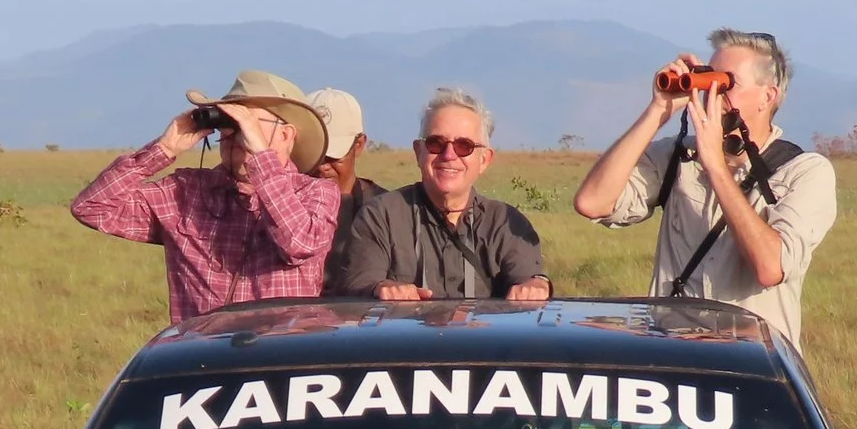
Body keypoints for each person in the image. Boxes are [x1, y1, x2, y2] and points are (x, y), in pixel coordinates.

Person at [571, 28, 836, 353]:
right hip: (673, 357)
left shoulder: (804, 172)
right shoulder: (677, 157)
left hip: (751, 364)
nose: (713, 94)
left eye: (726, 84)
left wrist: (716, 166)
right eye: (708, 80)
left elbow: (771, 268)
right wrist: (658, 112)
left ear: (768, 96)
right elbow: (592, 202)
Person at [70, 69, 339, 324]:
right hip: (203, 358)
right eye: (229, 124)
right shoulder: (186, 193)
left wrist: (261, 158)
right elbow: (92, 208)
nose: (236, 135)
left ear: (286, 134)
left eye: (249, 123)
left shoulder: (315, 192)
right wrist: (163, 150)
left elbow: (298, 244)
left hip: (277, 358)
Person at [326, 87, 552, 302]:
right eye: (436, 143)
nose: (449, 155)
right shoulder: (381, 216)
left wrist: (537, 285)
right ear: (418, 152)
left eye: (464, 146)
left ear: (484, 159)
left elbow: (527, 282)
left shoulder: (506, 223)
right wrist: (379, 289)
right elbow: (357, 283)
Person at [308, 87, 382, 270]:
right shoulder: (281, 207)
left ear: (359, 145)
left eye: (333, 156)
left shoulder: (384, 213)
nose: (322, 166)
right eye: (313, 154)